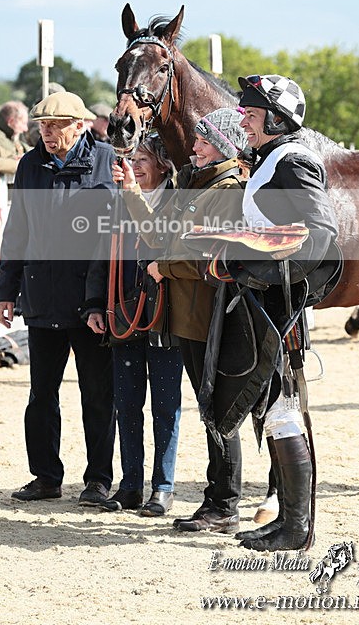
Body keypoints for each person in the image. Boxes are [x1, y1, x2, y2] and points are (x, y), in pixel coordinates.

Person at [112, 108, 248, 533]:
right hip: (185, 318)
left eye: (203, 141)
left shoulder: (226, 191)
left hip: (207, 318)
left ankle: (224, 503)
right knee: (210, 410)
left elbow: (211, 257)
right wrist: (133, 191)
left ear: (223, 145)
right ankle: (218, 502)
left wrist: (164, 270)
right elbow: (156, 236)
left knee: (218, 411)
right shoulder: (194, 185)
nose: (194, 146)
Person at [220, 74, 339, 552]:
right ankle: (288, 521)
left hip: (279, 305)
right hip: (266, 300)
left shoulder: (291, 161)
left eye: (250, 114)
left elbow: (319, 234)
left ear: (275, 118)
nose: (243, 121)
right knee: (273, 412)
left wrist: (252, 265)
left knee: (283, 412)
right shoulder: (270, 159)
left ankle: (296, 528)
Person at [0, 90, 117, 504]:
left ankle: (99, 480)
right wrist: (4, 291)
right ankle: (46, 477)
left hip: (91, 301)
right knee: (41, 394)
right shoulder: (30, 164)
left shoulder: (107, 160)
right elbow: (17, 230)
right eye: (43, 126)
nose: (47, 133)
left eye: (55, 126)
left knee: (97, 395)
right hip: (41, 295)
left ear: (79, 125)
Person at [84, 137, 183, 516]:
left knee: (165, 404)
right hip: (123, 313)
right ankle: (130, 486)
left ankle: (163, 486)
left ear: (163, 165)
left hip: (166, 316)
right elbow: (100, 253)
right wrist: (94, 305)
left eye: (144, 160)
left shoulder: (178, 203)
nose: (136, 166)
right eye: (133, 159)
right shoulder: (119, 203)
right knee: (126, 403)